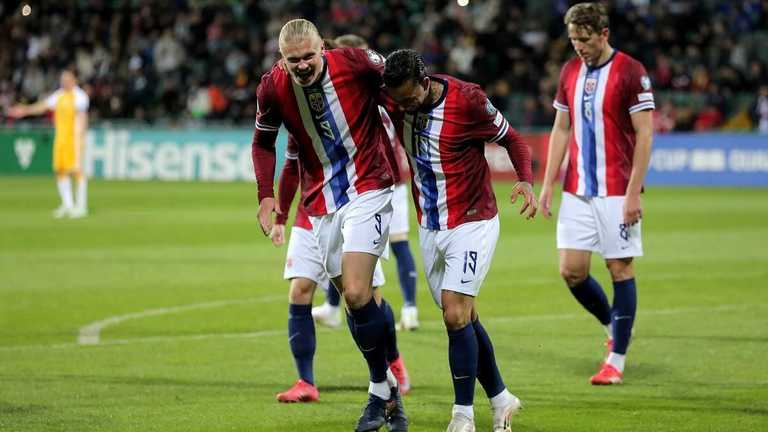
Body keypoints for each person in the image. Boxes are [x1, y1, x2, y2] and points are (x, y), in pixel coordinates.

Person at [251, 19, 407, 431]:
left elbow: (401, 94)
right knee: (356, 303)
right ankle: (386, 387)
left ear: (323, 48)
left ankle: (379, 389)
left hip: (370, 186)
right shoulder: (273, 88)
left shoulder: (356, 63)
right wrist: (266, 195)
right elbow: (264, 143)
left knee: (358, 291)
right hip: (320, 203)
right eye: (292, 60)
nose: (302, 66)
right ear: (281, 59)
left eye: (308, 56)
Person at [382, 48, 537, 432]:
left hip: (473, 220)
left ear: (424, 80)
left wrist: (526, 181)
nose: (404, 106)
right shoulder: (395, 99)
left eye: (409, 97)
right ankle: (501, 399)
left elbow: (513, 140)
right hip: (432, 227)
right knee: (464, 317)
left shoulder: (467, 100)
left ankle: (463, 415)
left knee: (454, 312)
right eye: (397, 100)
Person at [537, 2, 655, 386]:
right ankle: (613, 325)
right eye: (573, 39)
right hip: (578, 190)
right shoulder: (570, 71)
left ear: (604, 34)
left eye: (585, 39)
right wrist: (548, 183)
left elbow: (645, 134)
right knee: (571, 271)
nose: (579, 47)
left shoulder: (630, 71)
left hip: (617, 190)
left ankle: (616, 361)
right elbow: (560, 128)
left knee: (619, 267)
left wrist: (634, 192)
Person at [271, 135, 411, 403]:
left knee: (367, 296)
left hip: (353, 210)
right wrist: (281, 217)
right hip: (310, 212)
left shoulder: (350, 107)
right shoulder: (297, 111)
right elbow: (291, 166)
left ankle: (392, 361)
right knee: (299, 290)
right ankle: (306, 382)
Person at [310, 34, 421, 332]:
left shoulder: (380, 94)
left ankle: (409, 308)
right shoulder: (348, 97)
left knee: (396, 245)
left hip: (387, 181)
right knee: (347, 249)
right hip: (359, 182)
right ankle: (335, 307)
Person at [7, 69, 90, 218]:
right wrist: (25, 110)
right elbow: (43, 106)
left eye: (66, 79)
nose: (63, 82)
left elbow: (83, 119)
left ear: (73, 80)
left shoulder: (80, 97)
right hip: (61, 139)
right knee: (60, 171)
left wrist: (81, 138)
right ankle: (67, 204)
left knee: (76, 170)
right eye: (62, 79)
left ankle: (81, 206)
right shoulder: (59, 95)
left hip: (74, 140)